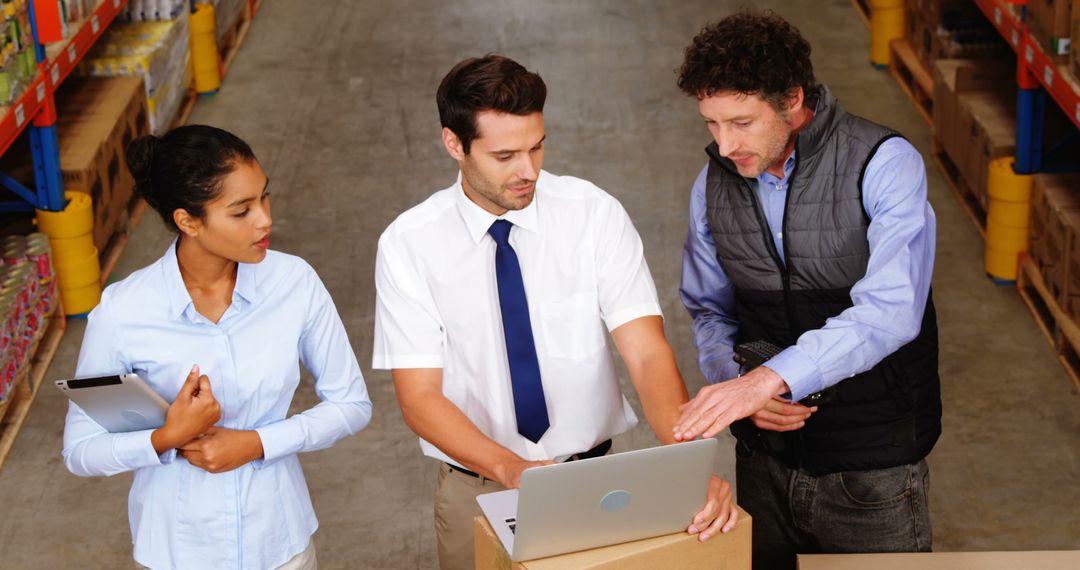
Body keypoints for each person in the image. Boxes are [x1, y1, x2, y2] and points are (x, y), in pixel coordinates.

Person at [373, 54, 736, 570]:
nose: (528, 171)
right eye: (504, 156)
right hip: (474, 488)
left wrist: (685, 467)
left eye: (536, 147)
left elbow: (646, 351)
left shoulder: (592, 214)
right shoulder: (408, 245)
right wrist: (515, 470)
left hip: (595, 484)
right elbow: (420, 398)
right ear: (454, 144)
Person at [670, 12, 941, 569]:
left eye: (742, 122)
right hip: (764, 466)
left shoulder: (883, 164)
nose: (724, 146)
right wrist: (738, 382)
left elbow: (891, 310)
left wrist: (771, 377)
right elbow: (709, 310)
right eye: (712, 124)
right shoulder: (712, 185)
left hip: (873, 473)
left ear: (792, 99)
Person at [62, 125, 373, 570]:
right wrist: (167, 437)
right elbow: (81, 450)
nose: (265, 219)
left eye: (264, 197)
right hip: (176, 550)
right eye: (240, 210)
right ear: (188, 221)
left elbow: (351, 404)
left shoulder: (293, 282)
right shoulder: (124, 310)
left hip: (280, 543)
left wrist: (256, 443)